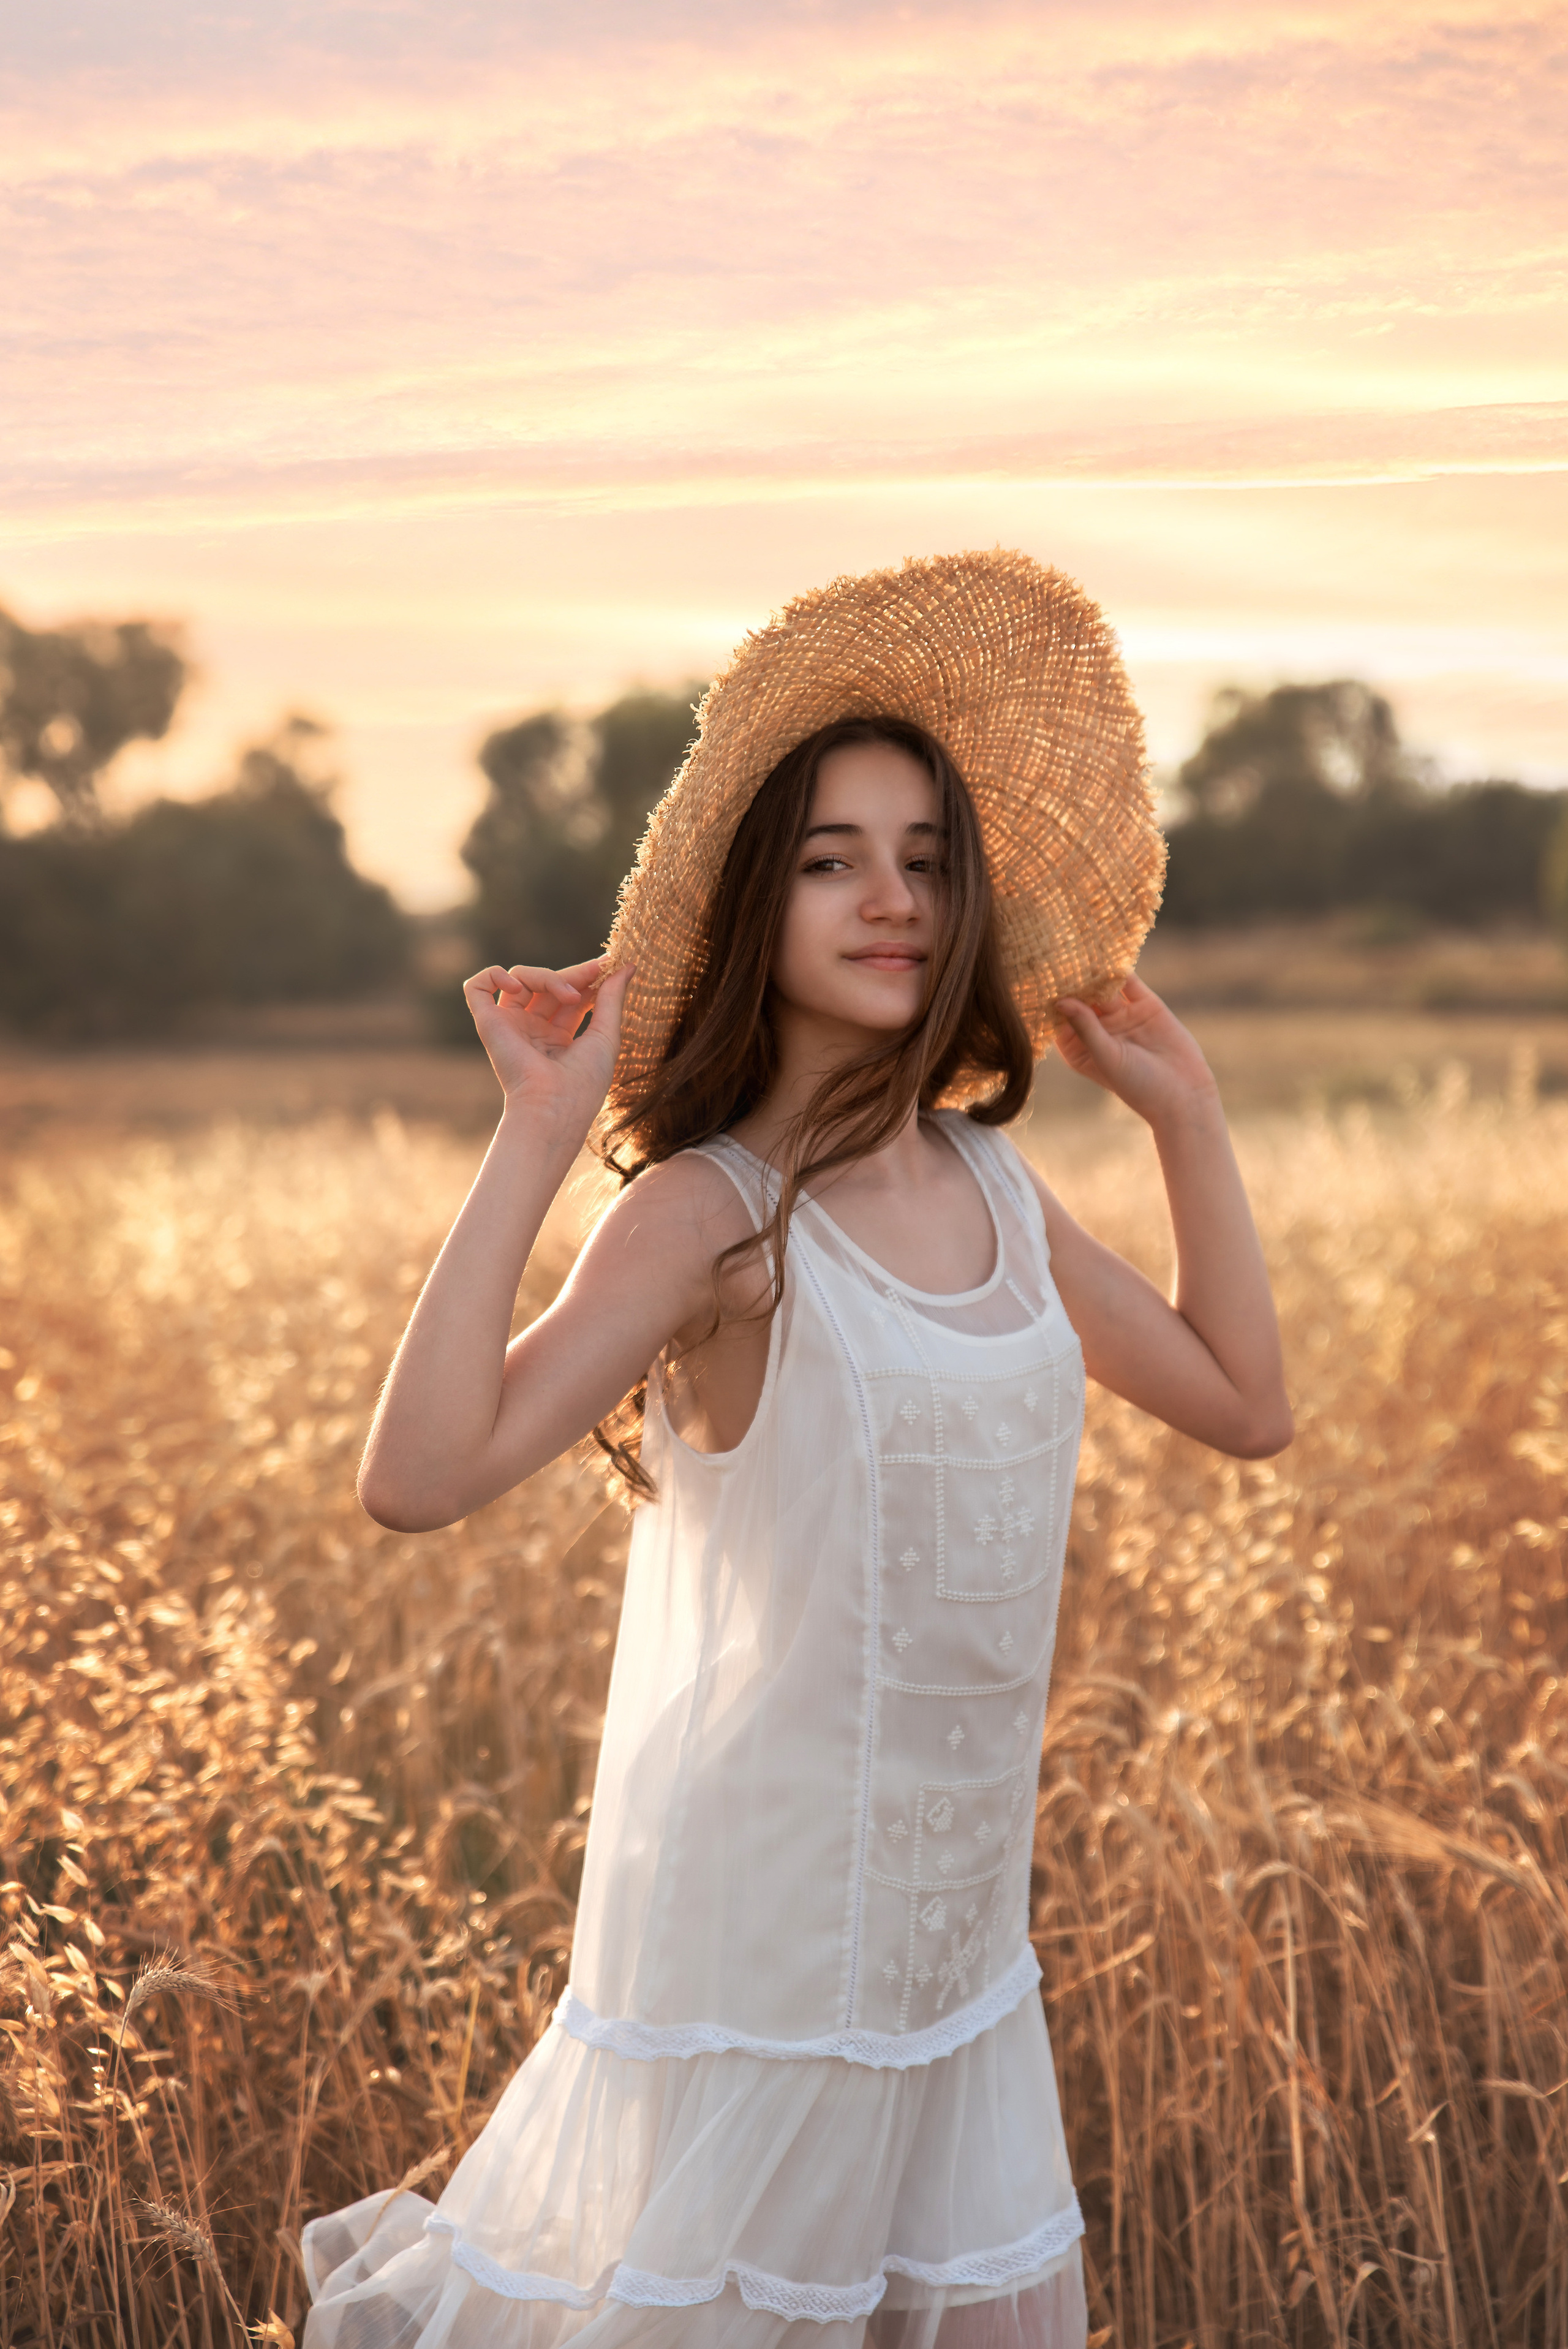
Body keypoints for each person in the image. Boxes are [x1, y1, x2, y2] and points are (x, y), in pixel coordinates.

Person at [300, 551, 1291, 2349]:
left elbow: (1246, 1399)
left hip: (960, 1967)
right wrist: (538, 1130)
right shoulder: (712, 1216)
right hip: (757, 1970)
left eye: (924, 858)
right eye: (833, 858)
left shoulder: (997, 1183)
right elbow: (418, 1473)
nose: (891, 897)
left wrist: (1192, 1119)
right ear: (760, 903)